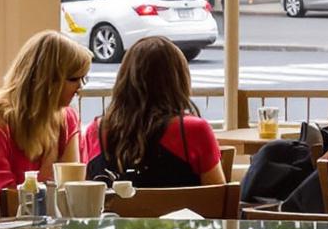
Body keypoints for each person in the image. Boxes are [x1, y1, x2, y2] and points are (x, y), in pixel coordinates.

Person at [79, 35, 224, 187]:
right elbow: (219, 199)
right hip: (182, 211)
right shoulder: (194, 131)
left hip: (117, 212)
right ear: (179, 80)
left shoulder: (96, 131)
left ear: (124, 80)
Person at [0, 31, 90, 193]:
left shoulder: (67, 118)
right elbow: (4, 200)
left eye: (83, 79)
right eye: (73, 79)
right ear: (47, 80)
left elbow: (73, 190)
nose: (80, 87)